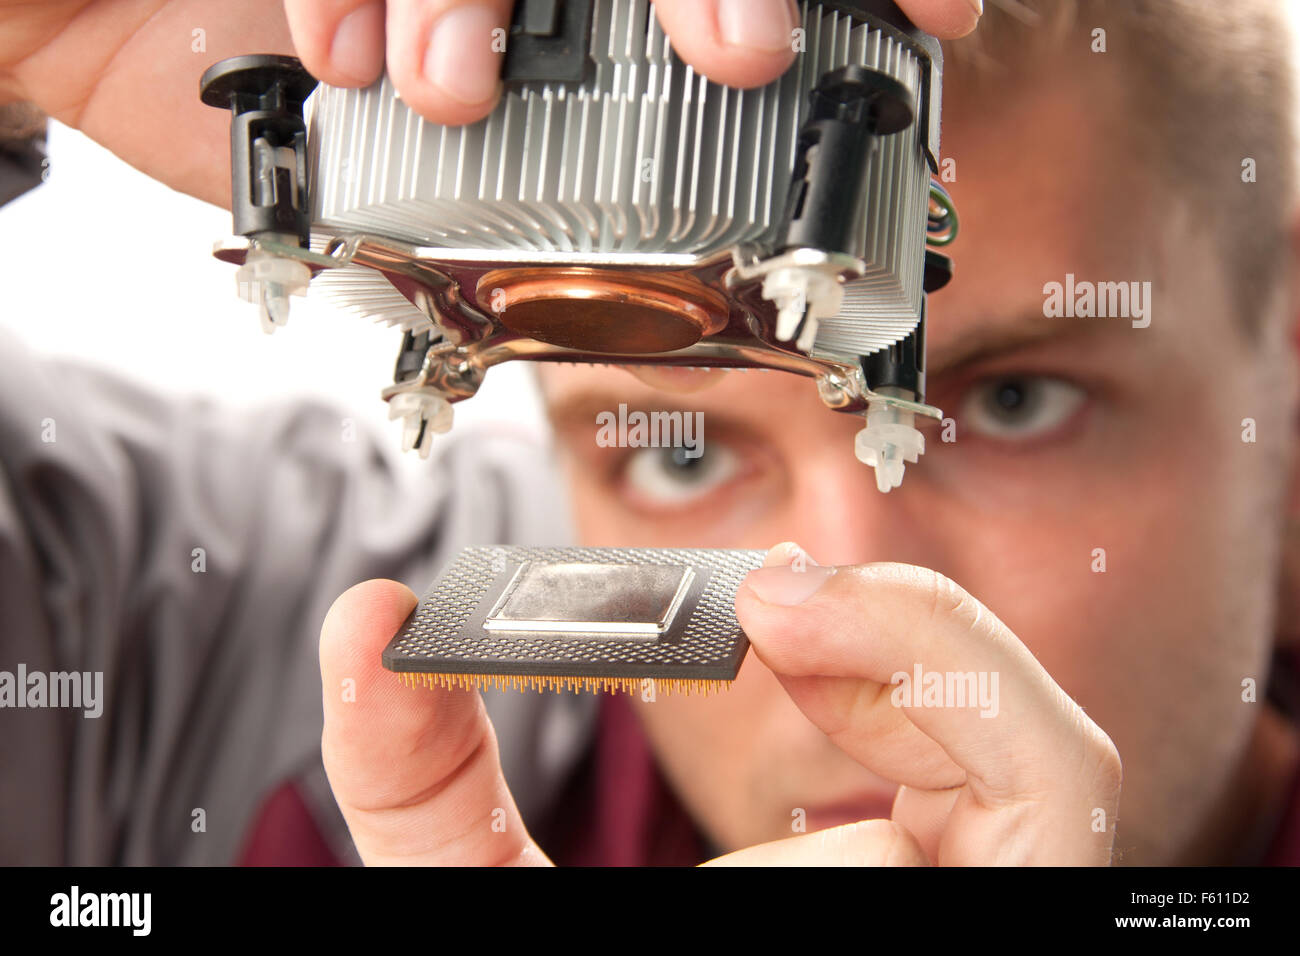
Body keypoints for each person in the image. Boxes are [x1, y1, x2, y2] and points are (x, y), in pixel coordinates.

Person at [1, 0, 1296, 866]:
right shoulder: (291, 644)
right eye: (680, 455)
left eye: (1015, 404)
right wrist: (47, 44)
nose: (839, 587)